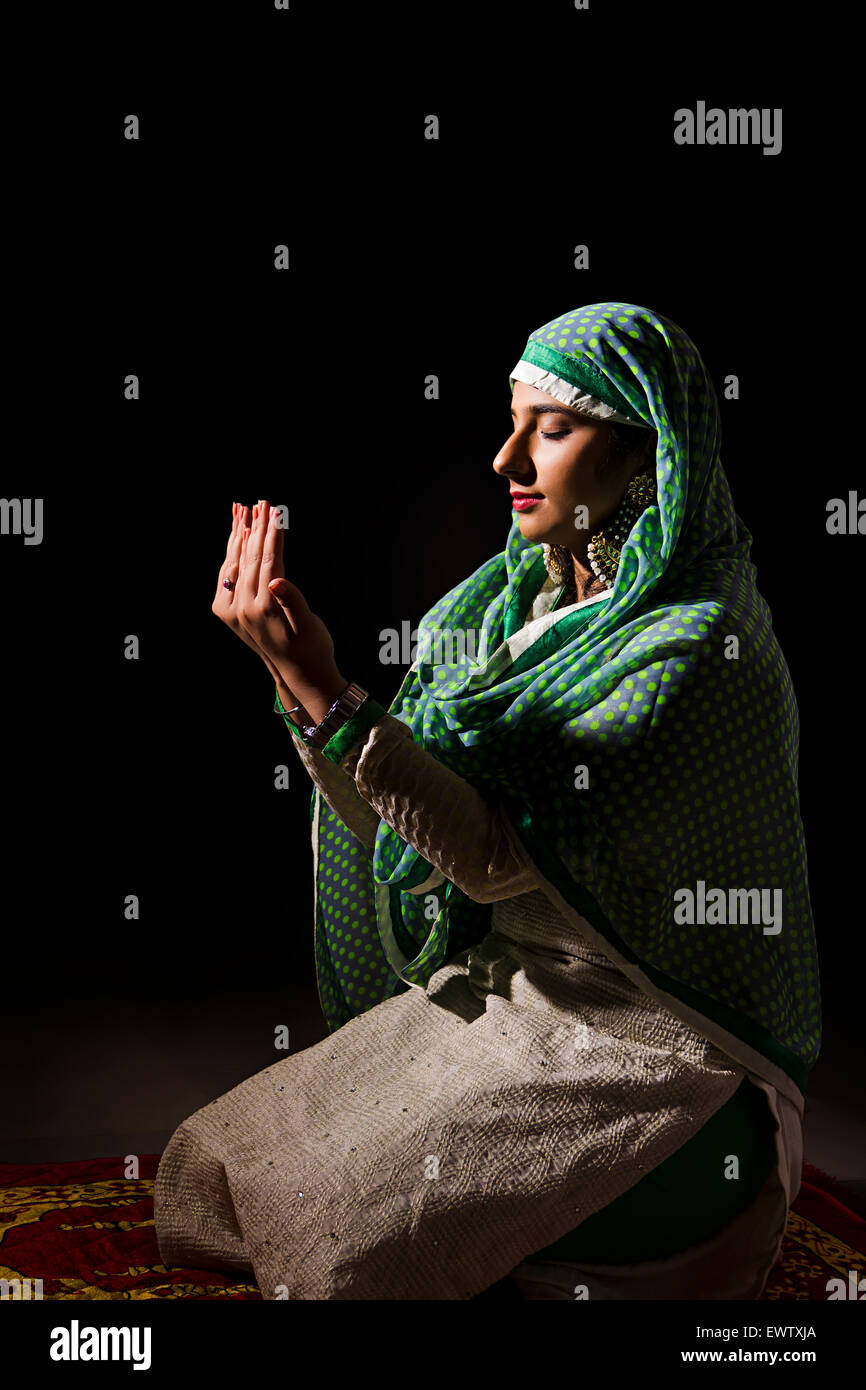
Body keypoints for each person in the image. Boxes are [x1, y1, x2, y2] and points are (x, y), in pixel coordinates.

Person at [153, 301, 819, 1300]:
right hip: (514, 995)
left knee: (336, 1245)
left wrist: (331, 693)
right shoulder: (510, 606)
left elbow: (491, 856)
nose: (506, 458)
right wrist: (299, 687)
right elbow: (390, 820)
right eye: (508, 423)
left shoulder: (697, 649)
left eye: (550, 431)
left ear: (648, 457)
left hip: (650, 1049)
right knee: (210, 1165)